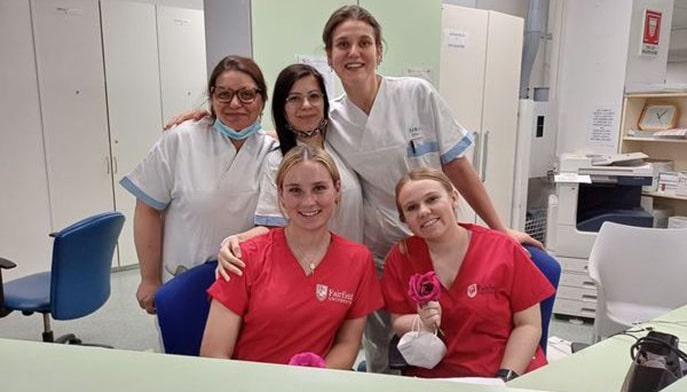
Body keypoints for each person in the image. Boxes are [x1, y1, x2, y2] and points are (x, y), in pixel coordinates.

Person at [119, 55, 278, 315]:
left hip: (247, 287)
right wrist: (149, 278)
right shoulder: (181, 139)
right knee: (183, 351)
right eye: (224, 94)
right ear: (212, 98)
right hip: (182, 281)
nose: (235, 103)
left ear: (262, 100)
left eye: (246, 94)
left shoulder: (273, 152)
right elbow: (147, 207)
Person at [200, 145, 383, 369]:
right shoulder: (244, 257)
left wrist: (315, 383)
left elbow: (347, 344)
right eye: (295, 190)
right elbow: (214, 353)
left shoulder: (358, 259)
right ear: (281, 196)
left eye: (319, 188)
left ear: (337, 191)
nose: (308, 201)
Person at [380, 167, 555, 380]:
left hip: (504, 373)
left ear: (453, 198)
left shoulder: (502, 250)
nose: (424, 211)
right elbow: (398, 322)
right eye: (411, 208)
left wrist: (504, 379)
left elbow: (529, 325)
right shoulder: (401, 258)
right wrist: (421, 323)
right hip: (439, 377)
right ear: (404, 219)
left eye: (432, 199)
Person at [218, 64, 363, 273]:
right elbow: (272, 227)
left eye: (314, 96)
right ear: (281, 108)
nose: (306, 105)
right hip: (312, 273)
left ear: (324, 102)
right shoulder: (279, 160)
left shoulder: (340, 142)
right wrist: (235, 241)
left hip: (356, 265)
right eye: (294, 98)